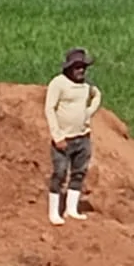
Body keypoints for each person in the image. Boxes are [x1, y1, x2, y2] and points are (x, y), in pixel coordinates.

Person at [44, 47, 102, 225]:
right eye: (77, 67)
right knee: (60, 173)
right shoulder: (58, 84)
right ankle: (54, 212)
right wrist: (57, 135)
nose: (81, 70)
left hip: (82, 137)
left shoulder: (86, 86)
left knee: (79, 173)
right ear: (69, 68)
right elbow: (49, 109)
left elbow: (97, 95)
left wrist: (88, 113)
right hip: (63, 139)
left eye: (83, 67)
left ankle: (71, 209)